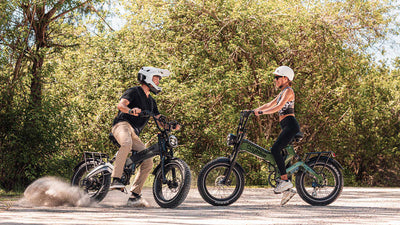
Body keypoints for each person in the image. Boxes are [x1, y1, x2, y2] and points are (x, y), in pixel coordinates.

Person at [110, 66, 177, 206]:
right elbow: (120, 105)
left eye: (158, 79)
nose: (158, 82)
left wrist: (170, 126)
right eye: (156, 78)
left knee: (148, 161)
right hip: (122, 125)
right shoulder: (134, 91)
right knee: (126, 143)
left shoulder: (151, 102)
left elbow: (159, 119)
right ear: (147, 78)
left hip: (134, 132)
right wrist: (130, 110)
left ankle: (134, 195)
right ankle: (115, 179)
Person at [253, 66, 300, 203]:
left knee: (275, 149)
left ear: (285, 78)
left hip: (290, 125)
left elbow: (278, 107)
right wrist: (255, 110)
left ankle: (285, 180)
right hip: (286, 125)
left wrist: (261, 113)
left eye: (277, 78)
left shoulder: (289, 91)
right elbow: (270, 104)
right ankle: (287, 190)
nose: (275, 80)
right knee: (283, 154)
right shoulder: (282, 92)